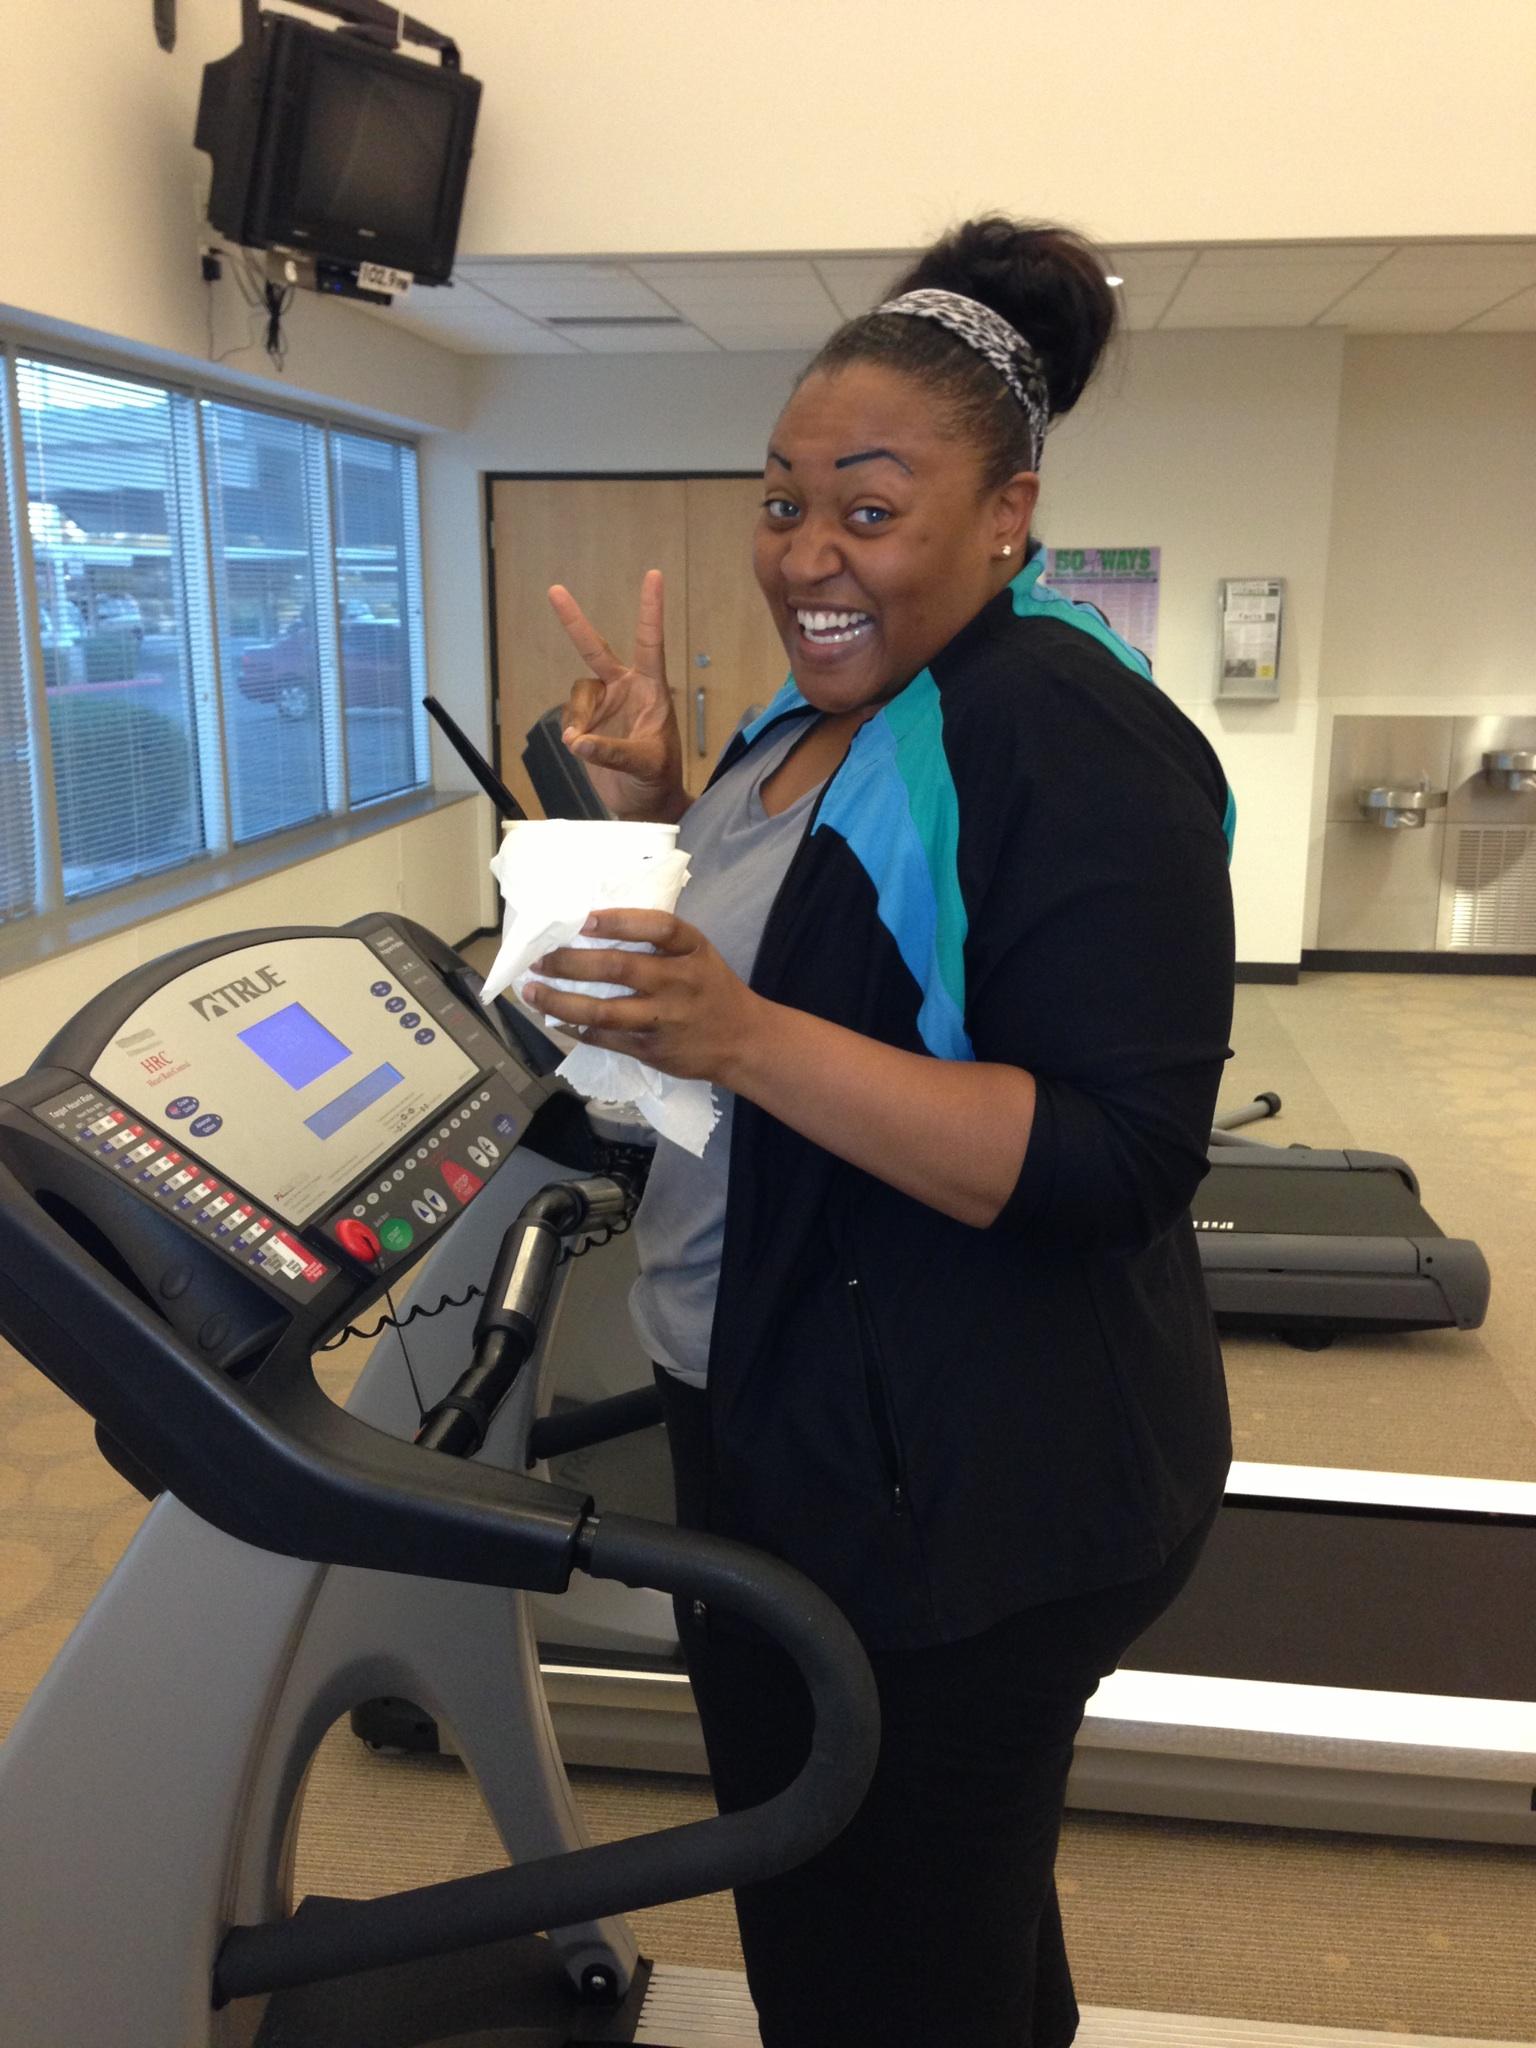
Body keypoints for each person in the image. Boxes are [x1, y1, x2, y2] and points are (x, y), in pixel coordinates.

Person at [522, 214, 1236, 2048]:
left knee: (868, 1959)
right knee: (932, 1929)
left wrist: (749, 1036)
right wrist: (652, 810)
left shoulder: (1066, 732)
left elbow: (1117, 1158)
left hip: (957, 1489)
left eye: (868, 506)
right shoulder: (821, 707)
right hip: (786, 1405)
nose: (807, 554)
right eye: (782, 504)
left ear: (1007, 514)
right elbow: (786, 954)